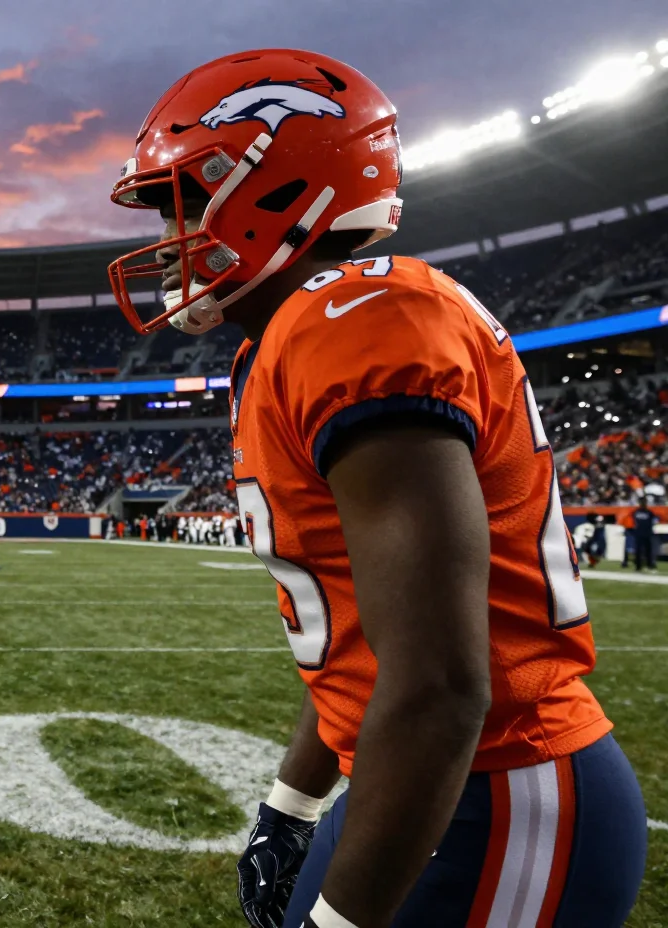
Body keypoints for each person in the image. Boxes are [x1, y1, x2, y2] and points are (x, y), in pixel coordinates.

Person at [106, 48, 644, 928]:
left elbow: (438, 681)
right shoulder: (291, 338)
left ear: (276, 189)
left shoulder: (356, 321)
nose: (169, 241)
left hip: (499, 790)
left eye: (187, 205)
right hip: (427, 779)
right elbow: (363, 641)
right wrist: (292, 802)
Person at [629, 500, 658, 571]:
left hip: (647, 534)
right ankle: (638, 566)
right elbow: (632, 520)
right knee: (638, 551)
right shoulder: (636, 512)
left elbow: (655, 520)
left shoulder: (649, 512)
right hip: (639, 534)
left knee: (648, 550)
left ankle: (649, 565)